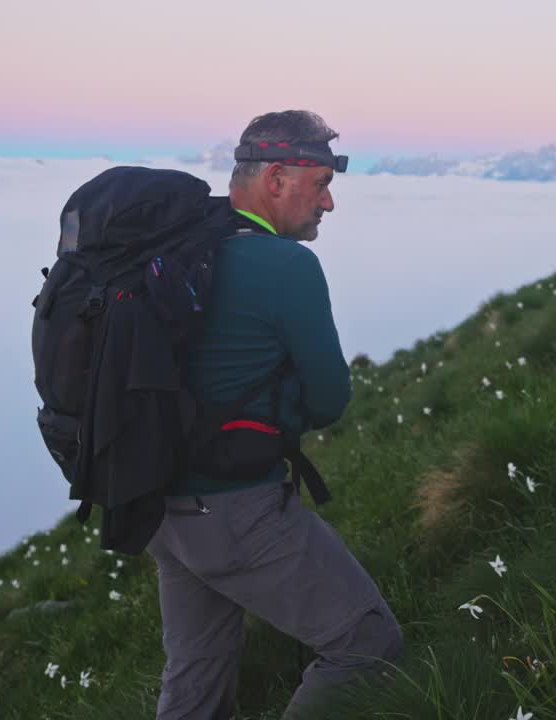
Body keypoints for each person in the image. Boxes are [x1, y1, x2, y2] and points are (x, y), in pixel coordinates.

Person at [146, 110, 404, 719]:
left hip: (161, 508)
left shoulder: (180, 247)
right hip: (236, 510)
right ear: (278, 179)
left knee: (196, 675)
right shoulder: (287, 266)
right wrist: (277, 406)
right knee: (367, 643)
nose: (330, 203)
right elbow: (329, 399)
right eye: (321, 185)